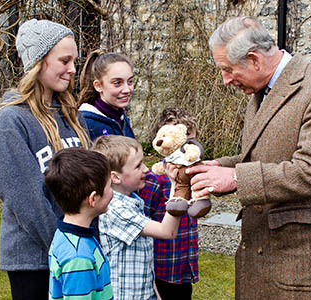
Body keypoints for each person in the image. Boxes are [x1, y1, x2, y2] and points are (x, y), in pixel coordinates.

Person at [186, 16, 311, 300]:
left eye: (227, 70)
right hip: (261, 258)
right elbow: (265, 155)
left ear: (254, 59)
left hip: (302, 268)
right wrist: (220, 167)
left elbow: (310, 172)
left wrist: (235, 177)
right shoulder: (262, 91)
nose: (225, 80)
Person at [0, 19, 89, 299]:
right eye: (64, 60)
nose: (73, 69)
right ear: (38, 62)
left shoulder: (70, 114)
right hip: (34, 260)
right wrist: (65, 247)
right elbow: (26, 199)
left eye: (74, 60)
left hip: (80, 250)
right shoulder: (11, 121)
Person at [92, 135, 181, 300]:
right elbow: (167, 232)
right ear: (115, 177)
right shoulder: (116, 210)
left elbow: (143, 262)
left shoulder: (133, 202)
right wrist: (177, 187)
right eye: (138, 166)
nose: (146, 169)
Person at [140, 108, 199, 300]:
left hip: (183, 264)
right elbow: (143, 219)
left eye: (190, 141)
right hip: (162, 268)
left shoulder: (191, 174)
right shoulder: (155, 179)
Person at [44, 147, 113, 300]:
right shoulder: (79, 258)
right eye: (110, 186)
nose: (113, 192)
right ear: (93, 199)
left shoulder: (66, 234)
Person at [78, 50, 135, 140]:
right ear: (98, 86)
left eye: (130, 81)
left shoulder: (122, 119)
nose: (127, 90)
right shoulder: (86, 125)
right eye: (117, 83)